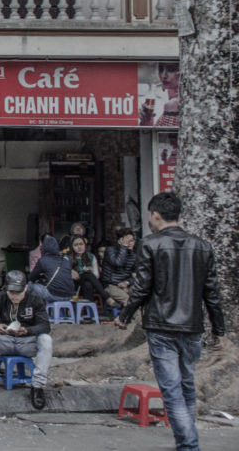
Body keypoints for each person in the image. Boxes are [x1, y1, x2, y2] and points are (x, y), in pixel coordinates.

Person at [116, 192, 225, 451]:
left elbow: (141, 288)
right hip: (192, 326)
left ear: (155, 215)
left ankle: (189, 444)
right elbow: (212, 292)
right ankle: (187, 439)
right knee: (186, 386)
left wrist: (124, 315)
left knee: (172, 390)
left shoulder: (150, 244)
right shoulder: (202, 246)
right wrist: (218, 329)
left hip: (161, 326)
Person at [0, 270, 52, 410]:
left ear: (26, 288)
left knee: (46, 339)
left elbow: (45, 326)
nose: (15, 296)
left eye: (18, 293)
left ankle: (38, 386)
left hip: (26, 342)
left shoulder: (35, 299)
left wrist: (28, 330)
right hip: (6, 340)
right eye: (11, 293)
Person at [65, 236, 115, 308]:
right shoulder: (67, 258)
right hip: (72, 285)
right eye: (76, 245)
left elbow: (96, 276)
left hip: (86, 285)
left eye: (81, 244)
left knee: (88, 283)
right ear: (72, 247)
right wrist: (72, 272)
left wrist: (88, 271)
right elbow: (64, 275)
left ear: (85, 245)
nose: (79, 247)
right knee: (88, 275)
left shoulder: (91, 257)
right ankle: (107, 297)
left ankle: (88, 312)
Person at [27, 235, 75, 303]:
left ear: (44, 248)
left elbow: (31, 277)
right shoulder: (66, 260)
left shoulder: (43, 260)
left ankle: (32, 309)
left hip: (54, 295)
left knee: (30, 284)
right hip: (69, 296)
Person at [100, 226, 136, 307]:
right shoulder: (110, 251)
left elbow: (137, 275)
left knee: (140, 297)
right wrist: (123, 247)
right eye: (127, 240)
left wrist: (127, 282)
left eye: (132, 240)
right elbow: (118, 263)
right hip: (111, 285)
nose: (130, 243)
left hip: (126, 284)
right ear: (120, 241)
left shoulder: (133, 255)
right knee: (128, 301)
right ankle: (129, 319)